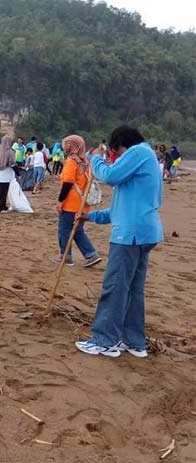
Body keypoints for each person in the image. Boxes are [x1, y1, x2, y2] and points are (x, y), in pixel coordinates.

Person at [75, 126, 163, 358]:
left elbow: (110, 175)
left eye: (116, 154)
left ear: (121, 147)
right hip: (144, 232)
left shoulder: (139, 153)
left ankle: (105, 340)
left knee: (115, 287)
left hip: (130, 235)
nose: (116, 160)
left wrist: (94, 158)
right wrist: (89, 216)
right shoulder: (142, 164)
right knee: (133, 289)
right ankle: (133, 342)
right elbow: (117, 210)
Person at [53, 135, 101, 268]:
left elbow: (67, 183)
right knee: (78, 230)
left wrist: (60, 201)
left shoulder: (72, 161)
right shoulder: (86, 161)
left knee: (64, 229)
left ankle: (65, 256)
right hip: (83, 203)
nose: (65, 146)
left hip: (71, 203)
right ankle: (91, 254)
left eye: (67, 144)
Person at [0, 136, 16, 213]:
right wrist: (18, 173)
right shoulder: (9, 152)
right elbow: (12, 163)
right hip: (5, 175)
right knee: (4, 192)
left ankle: (3, 206)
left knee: (0, 191)